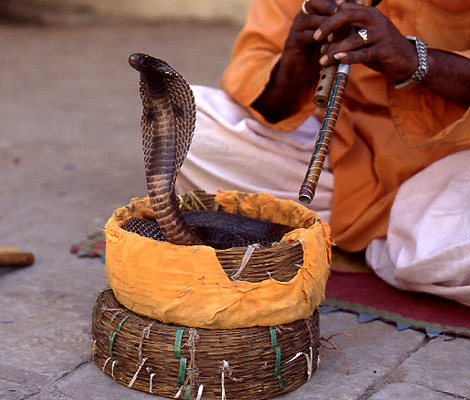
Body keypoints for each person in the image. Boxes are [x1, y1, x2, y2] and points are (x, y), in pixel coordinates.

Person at [175, 0, 470, 305]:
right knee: (190, 121)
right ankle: (398, 242)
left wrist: (415, 61)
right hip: (339, 157)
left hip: (452, 164)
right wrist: (293, 67)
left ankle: (401, 239)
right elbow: (258, 81)